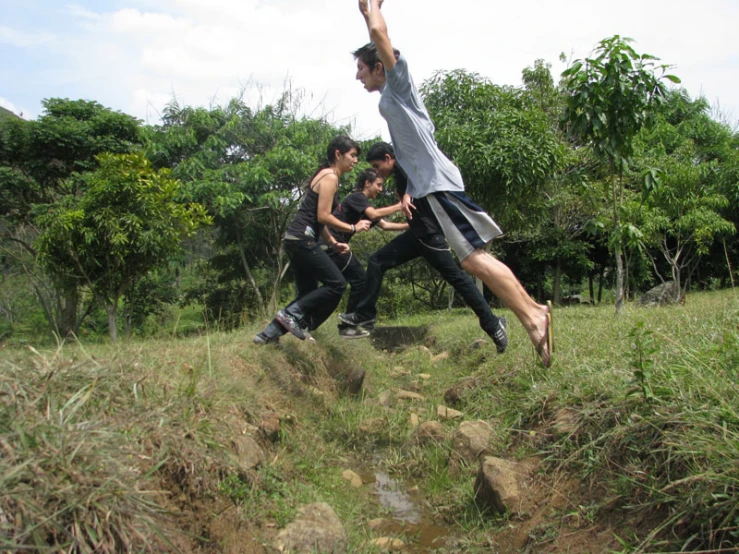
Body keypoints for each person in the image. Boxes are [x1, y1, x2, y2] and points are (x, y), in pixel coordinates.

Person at [350, 0, 553, 366]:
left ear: (380, 66)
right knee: (473, 261)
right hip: (432, 189)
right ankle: (533, 316)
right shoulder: (391, 97)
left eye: (361, 68)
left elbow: (380, 34)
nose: (357, 76)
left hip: (439, 186)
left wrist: (371, 12)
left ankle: (534, 317)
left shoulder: (399, 85)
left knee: (474, 259)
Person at [339, 142, 509, 353]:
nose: (376, 172)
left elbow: (419, 168)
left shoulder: (404, 167)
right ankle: (364, 316)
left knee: (458, 278)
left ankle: (493, 325)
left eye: (376, 165)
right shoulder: (400, 175)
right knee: (376, 261)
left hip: (428, 235)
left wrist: (408, 194)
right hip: (416, 234)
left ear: (388, 157)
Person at [253, 136, 372, 345]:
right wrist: (353, 227)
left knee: (308, 292)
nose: (355, 161)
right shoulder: (330, 177)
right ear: (338, 154)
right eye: (352, 155)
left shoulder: (326, 175)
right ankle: (296, 318)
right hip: (303, 239)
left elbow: (320, 222)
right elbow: (323, 216)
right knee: (337, 284)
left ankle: (268, 336)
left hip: (297, 238)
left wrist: (334, 243)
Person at [325, 168, 409, 339]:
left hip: (335, 246)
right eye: (378, 185)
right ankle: (349, 324)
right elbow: (375, 213)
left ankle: (347, 325)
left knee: (351, 283)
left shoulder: (362, 205)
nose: (380, 189)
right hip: (332, 245)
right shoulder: (357, 197)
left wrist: (410, 227)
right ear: (367, 183)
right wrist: (401, 205)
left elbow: (385, 226)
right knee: (361, 280)